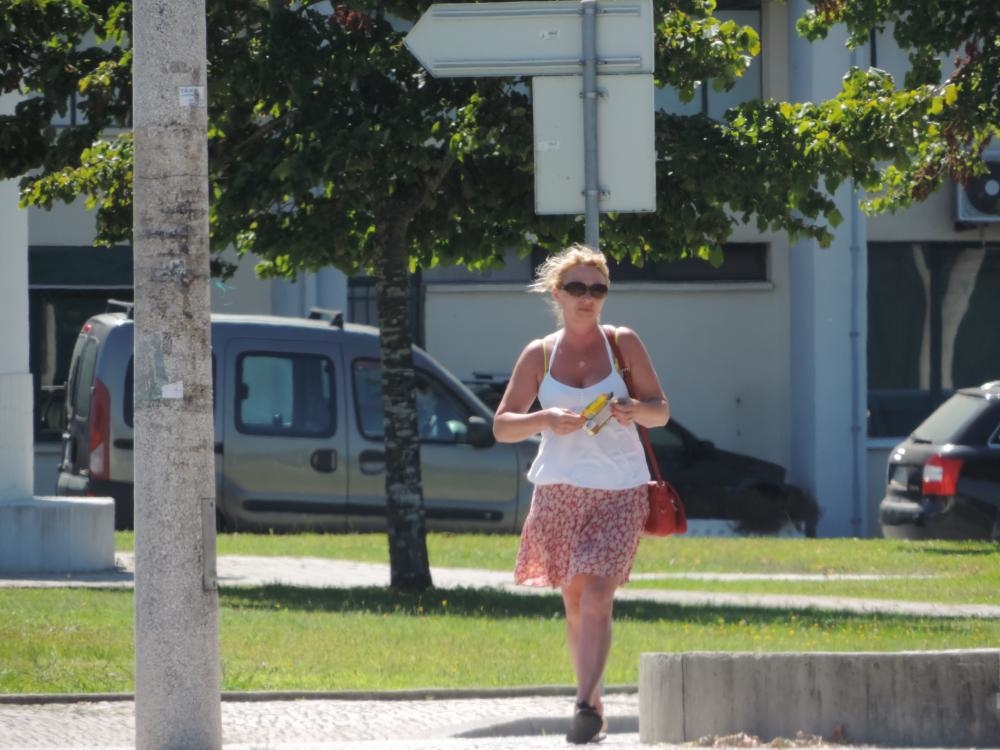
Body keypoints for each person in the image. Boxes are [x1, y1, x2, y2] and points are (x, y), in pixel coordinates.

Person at [493, 243, 669, 744]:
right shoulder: (540, 354)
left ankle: (584, 705)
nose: (587, 297)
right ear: (558, 294)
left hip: (620, 490)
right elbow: (502, 426)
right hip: (559, 491)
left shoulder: (622, 343)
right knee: (574, 601)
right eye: (577, 287)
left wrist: (636, 410)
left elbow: (661, 410)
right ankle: (591, 698)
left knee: (597, 595)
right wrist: (546, 418)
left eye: (597, 288)